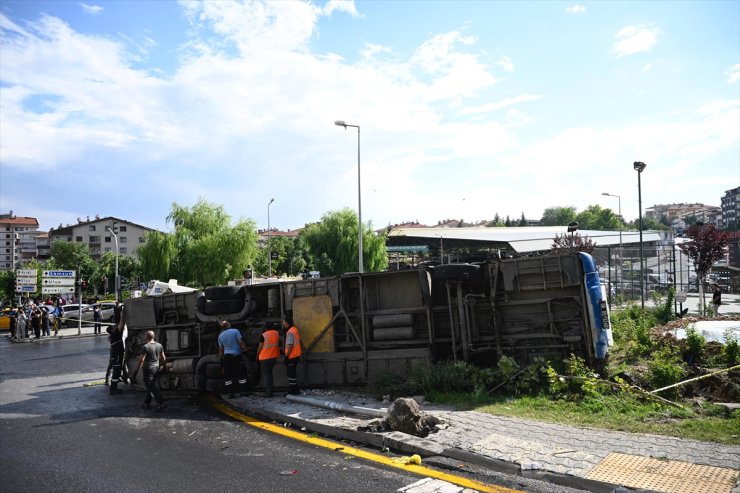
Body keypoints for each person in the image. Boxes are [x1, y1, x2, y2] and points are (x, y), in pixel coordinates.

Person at [131, 330, 167, 411]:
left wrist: (135, 372)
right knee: (150, 386)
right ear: (153, 336)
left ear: (146, 337)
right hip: (156, 368)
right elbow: (163, 358)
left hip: (148, 369)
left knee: (151, 387)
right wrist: (164, 367)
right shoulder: (159, 345)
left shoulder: (146, 347)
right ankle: (146, 403)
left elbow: (141, 360)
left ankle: (161, 403)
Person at [217, 320, 249, 398]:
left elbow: (221, 349)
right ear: (228, 325)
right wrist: (246, 350)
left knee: (228, 376)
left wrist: (221, 359)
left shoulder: (220, 336)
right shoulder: (235, 331)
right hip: (236, 356)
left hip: (227, 357)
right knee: (241, 374)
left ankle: (230, 393)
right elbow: (241, 342)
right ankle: (242, 391)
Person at [257, 324, 280, 397]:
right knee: (270, 375)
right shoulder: (276, 333)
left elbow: (260, 348)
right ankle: (270, 391)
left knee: (267, 376)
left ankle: (268, 393)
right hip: (274, 357)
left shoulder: (263, 335)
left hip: (265, 358)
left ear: (265, 328)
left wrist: (257, 356)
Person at [282, 317, 302, 395]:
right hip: (296, 355)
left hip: (291, 356)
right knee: (292, 373)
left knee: (291, 374)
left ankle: (293, 390)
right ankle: (295, 389)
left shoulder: (290, 332)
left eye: (284, 322)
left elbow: (290, 345)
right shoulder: (294, 329)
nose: (283, 324)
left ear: (287, 323)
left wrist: (286, 357)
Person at [107, 319, 126, 394]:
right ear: (112, 330)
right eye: (114, 327)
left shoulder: (115, 335)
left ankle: (114, 388)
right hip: (117, 358)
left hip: (117, 357)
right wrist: (122, 317)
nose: (115, 327)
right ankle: (113, 389)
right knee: (116, 374)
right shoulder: (114, 335)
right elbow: (121, 324)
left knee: (117, 373)